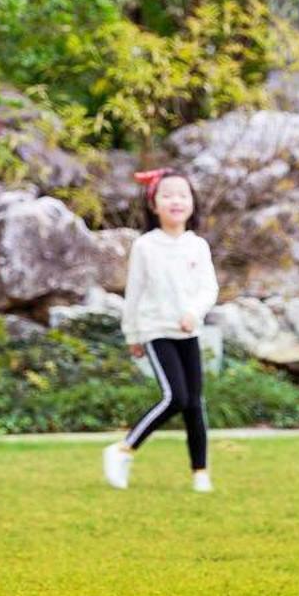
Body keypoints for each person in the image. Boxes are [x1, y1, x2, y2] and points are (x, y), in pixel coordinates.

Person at [102, 168, 219, 493]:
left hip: (188, 332)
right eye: (167, 195)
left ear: (192, 202)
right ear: (155, 204)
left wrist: (195, 313)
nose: (176, 201)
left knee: (194, 403)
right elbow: (134, 293)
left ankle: (200, 473)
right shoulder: (145, 246)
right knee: (176, 397)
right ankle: (123, 449)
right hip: (155, 330)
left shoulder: (197, 246)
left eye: (182, 194)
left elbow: (209, 288)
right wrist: (132, 334)